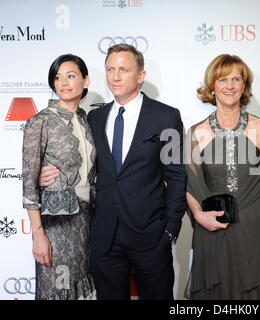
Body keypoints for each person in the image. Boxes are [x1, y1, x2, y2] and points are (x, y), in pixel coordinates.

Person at [40, 44, 187, 300]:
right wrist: (48, 175)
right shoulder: (94, 119)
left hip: (150, 235)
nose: (115, 76)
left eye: (123, 69)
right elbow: (81, 163)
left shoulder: (166, 117)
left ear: (140, 75)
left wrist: (171, 228)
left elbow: (176, 175)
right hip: (104, 236)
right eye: (110, 69)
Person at [185, 54, 260, 299]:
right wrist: (199, 215)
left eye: (236, 79)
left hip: (255, 228)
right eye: (223, 79)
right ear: (212, 86)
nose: (230, 86)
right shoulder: (196, 133)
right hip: (213, 228)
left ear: (244, 86)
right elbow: (191, 185)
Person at [22, 54, 96, 300]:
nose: (63, 82)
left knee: (81, 287)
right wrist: (38, 235)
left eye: (71, 76)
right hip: (56, 225)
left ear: (85, 81)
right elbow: (29, 185)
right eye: (57, 77)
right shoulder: (40, 121)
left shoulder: (88, 121)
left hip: (86, 222)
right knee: (57, 288)